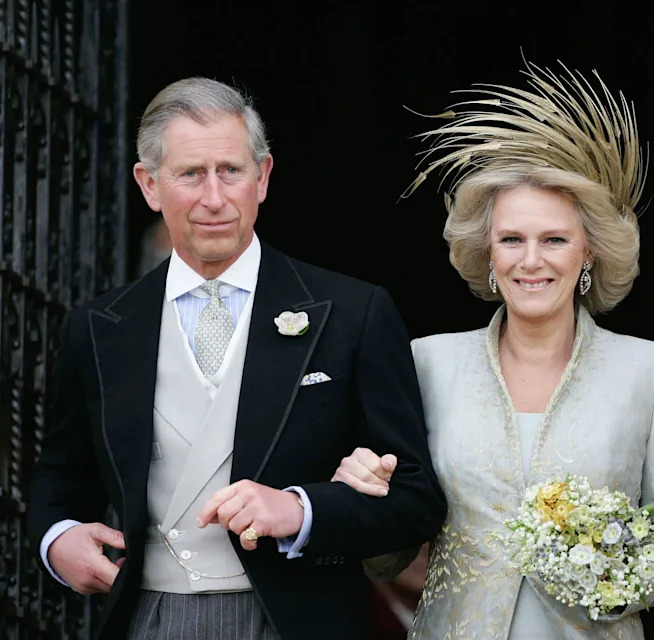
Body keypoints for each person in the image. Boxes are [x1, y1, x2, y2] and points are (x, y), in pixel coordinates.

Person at [27, 76, 447, 640]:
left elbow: (416, 499)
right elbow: (60, 476)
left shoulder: (354, 313)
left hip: (299, 619)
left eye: (231, 170)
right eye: (190, 175)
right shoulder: (98, 329)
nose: (215, 198)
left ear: (263, 177)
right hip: (150, 617)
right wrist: (58, 540)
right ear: (149, 185)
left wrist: (303, 511)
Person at [331, 60, 654, 639]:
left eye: (554, 239)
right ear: (488, 253)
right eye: (512, 239)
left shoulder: (649, 370)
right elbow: (387, 557)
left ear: (588, 254)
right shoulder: (428, 363)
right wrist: (363, 501)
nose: (531, 260)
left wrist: (623, 574)